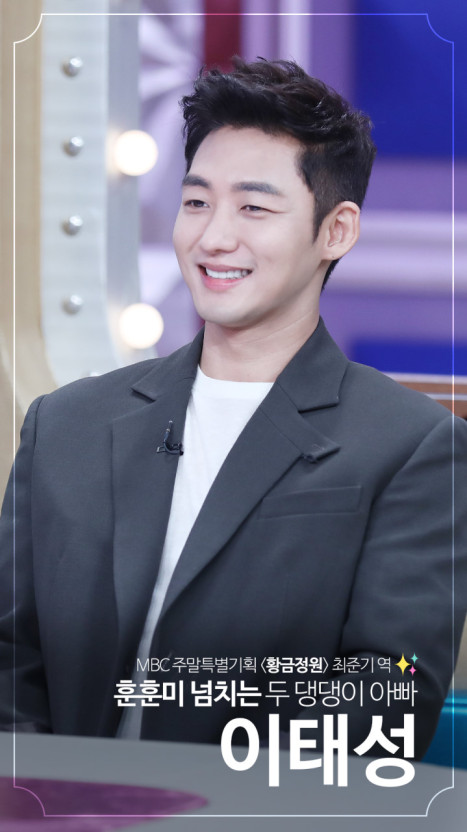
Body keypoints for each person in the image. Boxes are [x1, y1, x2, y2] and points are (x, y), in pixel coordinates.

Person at [0, 58, 466, 760]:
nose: (213, 237)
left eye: (253, 208)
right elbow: (10, 657)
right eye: (196, 202)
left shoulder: (414, 446)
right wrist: (52, 797)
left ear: (336, 230)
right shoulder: (65, 424)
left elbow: (383, 697)